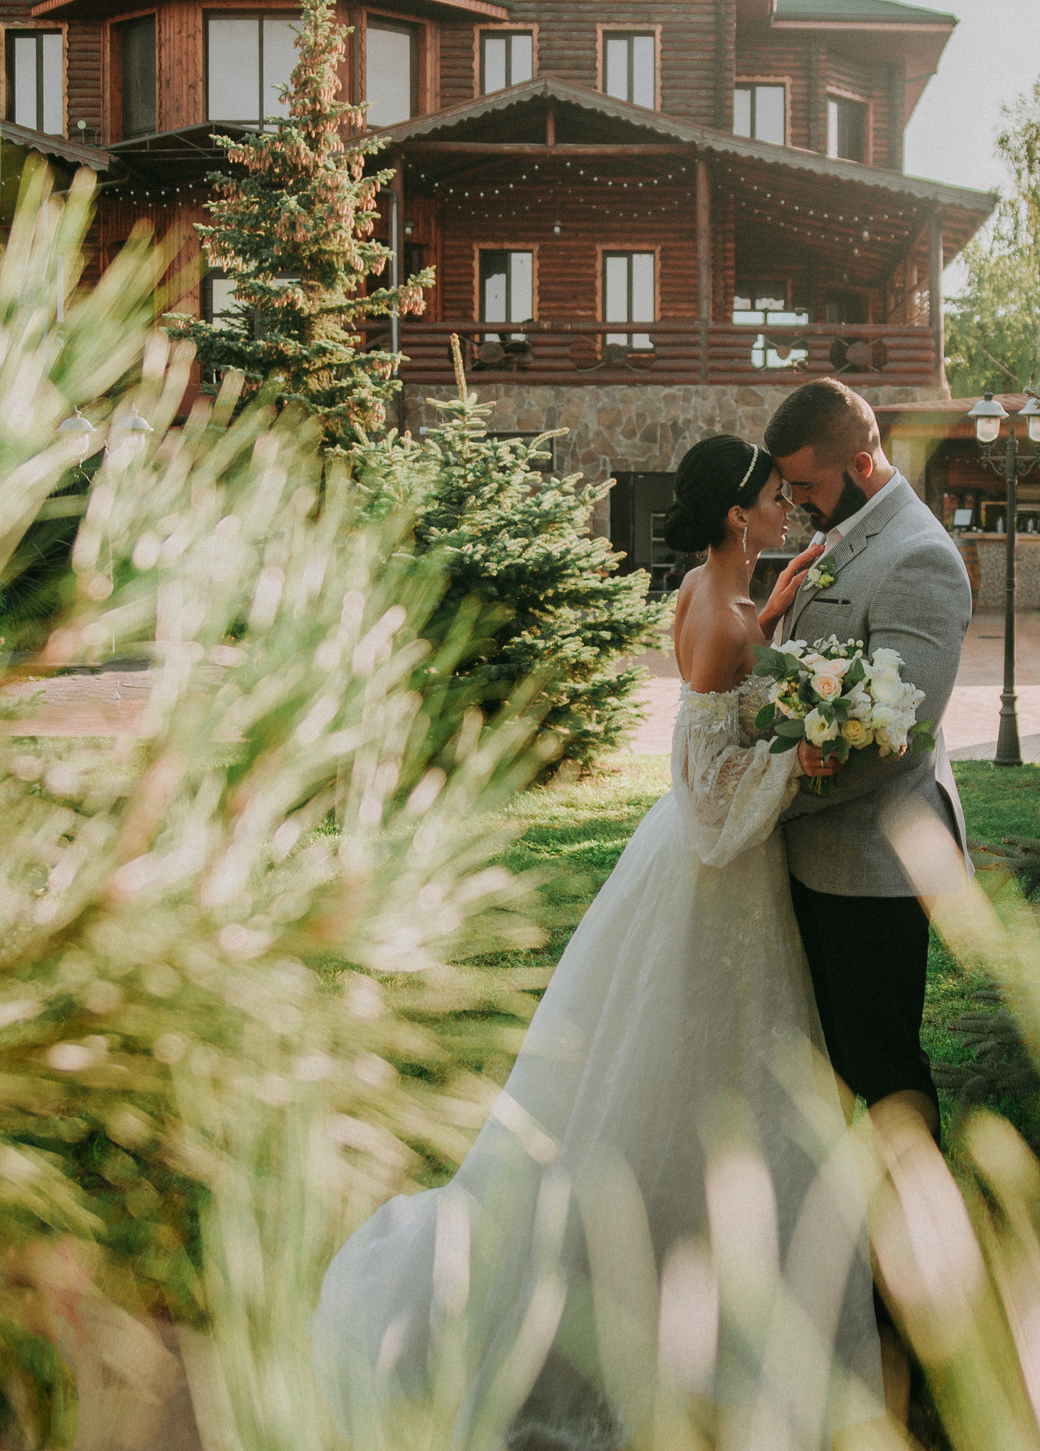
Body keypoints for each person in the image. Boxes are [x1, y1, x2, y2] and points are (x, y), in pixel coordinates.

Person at [311, 434, 878, 1449]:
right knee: (674, 1072)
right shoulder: (715, 615)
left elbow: (743, 647)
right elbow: (709, 801)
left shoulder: (723, 598)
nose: (786, 509)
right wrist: (805, 762)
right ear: (732, 515)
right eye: (770, 502)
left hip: (711, 876)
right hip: (709, 876)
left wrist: (782, 600)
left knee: (697, 1071)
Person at [762, 378, 973, 1148]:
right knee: (834, 1066)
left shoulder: (921, 557)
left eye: (808, 485)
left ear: (860, 463)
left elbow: (899, 739)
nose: (799, 502)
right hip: (817, 857)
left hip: (875, 866)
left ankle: (915, 1264)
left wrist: (770, 797)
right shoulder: (839, 538)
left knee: (884, 1070)